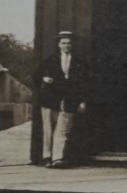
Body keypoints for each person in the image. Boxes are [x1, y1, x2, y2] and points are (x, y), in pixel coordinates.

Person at [35, 30, 90, 167]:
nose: (67, 46)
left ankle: (57, 158)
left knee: (63, 130)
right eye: (64, 43)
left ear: (72, 45)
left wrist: (82, 101)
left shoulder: (79, 62)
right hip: (50, 99)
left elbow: (85, 83)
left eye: (69, 43)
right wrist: (44, 78)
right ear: (59, 45)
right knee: (48, 129)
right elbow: (36, 76)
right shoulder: (50, 60)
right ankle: (47, 157)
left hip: (70, 100)